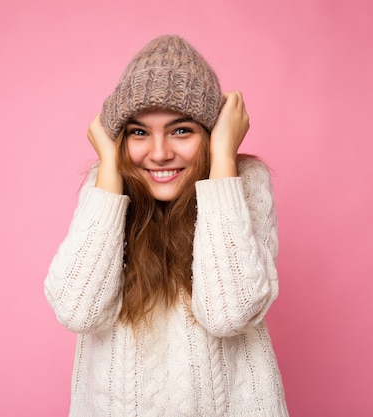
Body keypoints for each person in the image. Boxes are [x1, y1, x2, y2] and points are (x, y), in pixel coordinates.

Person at [44, 34, 289, 416]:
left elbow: (229, 313)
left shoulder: (242, 184)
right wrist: (109, 170)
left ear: (210, 134)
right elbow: (79, 311)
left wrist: (223, 161)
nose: (159, 154)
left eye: (181, 130)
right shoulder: (105, 189)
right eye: (139, 132)